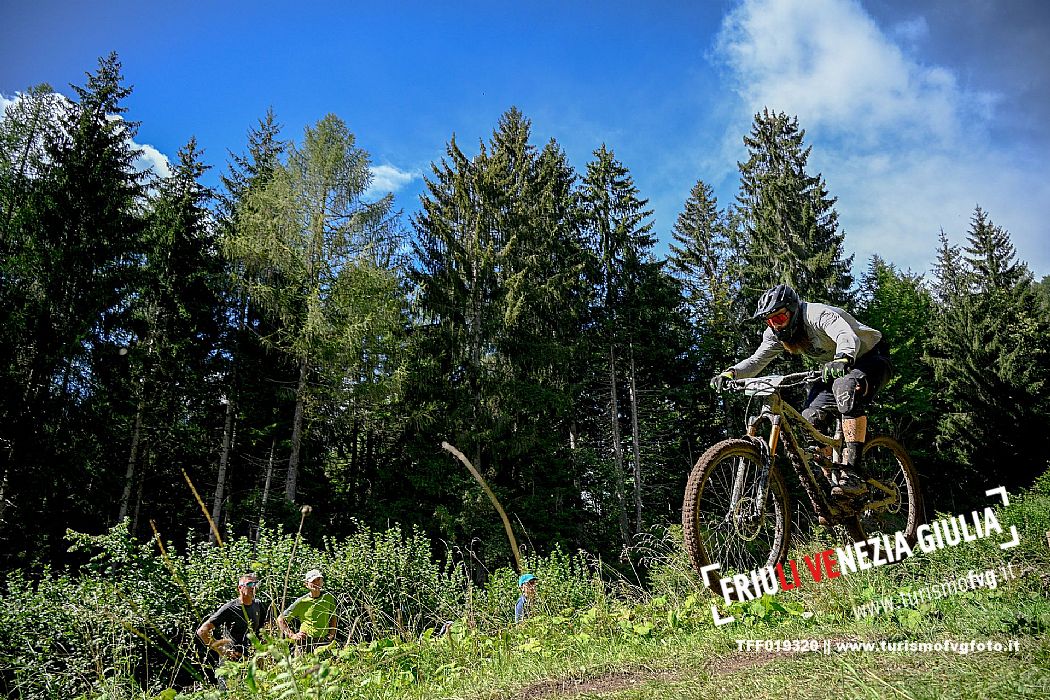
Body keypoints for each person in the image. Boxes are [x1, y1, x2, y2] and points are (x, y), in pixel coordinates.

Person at [710, 284, 892, 498]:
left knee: (846, 388)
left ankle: (853, 473)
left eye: (778, 319)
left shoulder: (817, 315)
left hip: (869, 357)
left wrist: (843, 357)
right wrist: (731, 373)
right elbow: (756, 360)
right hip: (834, 367)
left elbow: (846, 335)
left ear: (793, 310)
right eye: (769, 321)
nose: (775, 326)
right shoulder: (775, 334)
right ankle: (835, 487)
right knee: (809, 419)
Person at [196, 572, 272, 687]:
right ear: (240, 588)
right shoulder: (230, 608)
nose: (253, 587)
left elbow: (262, 630)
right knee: (228, 694)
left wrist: (263, 652)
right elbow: (202, 631)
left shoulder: (258, 605)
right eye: (250, 584)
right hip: (231, 662)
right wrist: (220, 649)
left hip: (251, 661)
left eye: (256, 584)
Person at [277, 569, 338, 652]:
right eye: (313, 581)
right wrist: (292, 635)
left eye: (318, 580)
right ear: (306, 584)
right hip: (305, 642)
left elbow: (333, 617)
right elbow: (281, 619)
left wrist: (331, 635)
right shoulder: (302, 602)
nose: (316, 583)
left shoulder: (328, 597)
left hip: (324, 641)